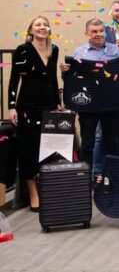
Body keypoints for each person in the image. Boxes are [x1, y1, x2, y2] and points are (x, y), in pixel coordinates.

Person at [60, 19, 119, 174]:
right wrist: (64, 72)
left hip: (111, 104)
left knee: (111, 142)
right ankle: (86, 176)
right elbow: (72, 79)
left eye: (101, 31)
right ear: (87, 34)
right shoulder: (79, 52)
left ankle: (108, 177)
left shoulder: (116, 50)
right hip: (87, 105)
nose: (98, 34)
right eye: (94, 31)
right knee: (87, 142)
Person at [8, 16, 61, 212]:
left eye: (45, 25)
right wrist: (12, 106)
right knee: (29, 149)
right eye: (38, 25)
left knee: (48, 149)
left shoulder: (53, 49)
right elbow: (14, 80)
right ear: (30, 30)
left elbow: (53, 78)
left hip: (49, 105)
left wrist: (58, 103)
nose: (42, 27)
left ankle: (46, 188)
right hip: (28, 107)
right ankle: (32, 193)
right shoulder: (22, 50)